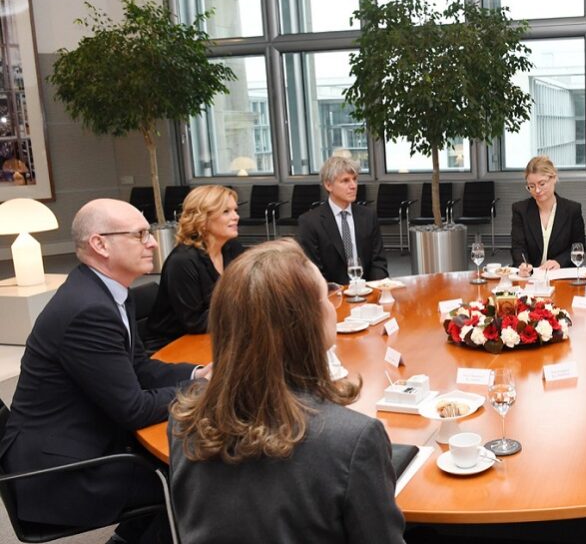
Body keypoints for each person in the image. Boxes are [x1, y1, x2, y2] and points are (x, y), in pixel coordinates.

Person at [0, 199, 210, 544]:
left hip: (86, 443)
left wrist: (197, 374)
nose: (154, 242)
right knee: (196, 478)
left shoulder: (107, 291)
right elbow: (134, 408)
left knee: (186, 461)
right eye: (140, 234)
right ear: (100, 244)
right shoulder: (88, 310)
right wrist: (206, 390)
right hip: (61, 474)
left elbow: (139, 367)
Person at [168, 239, 406, 543]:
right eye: (326, 298)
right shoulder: (353, 439)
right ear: (305, 323)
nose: (334, 309)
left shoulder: (184, 417)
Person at [142, 185, 244, 351]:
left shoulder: (232, 248)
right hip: (172, 346)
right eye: (226, 212)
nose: (236, 217)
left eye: (235, 210)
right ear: (202, 219)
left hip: (215, 336)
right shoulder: (182, 261)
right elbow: (195, 322)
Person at [297, 156, 388, 285]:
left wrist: (376, 289)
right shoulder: (310, 222)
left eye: (355, 179)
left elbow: (378, 261)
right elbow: (313, 271)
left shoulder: (368, 216)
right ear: (328, 185)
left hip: (367, 291)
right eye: (345, 181)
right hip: (332, 296)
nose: (353, 186)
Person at [511, 156, 586, 274]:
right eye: (531, 186)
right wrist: (523, 264)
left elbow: (579, 248)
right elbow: (518, 247)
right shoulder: (520, 210)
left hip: (561, 274)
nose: (537, 191)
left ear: (554, 178)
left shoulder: (572, 210)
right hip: (532, 276)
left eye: (542, 184)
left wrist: (559, 262)